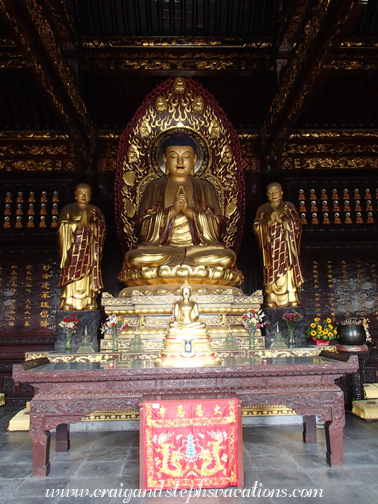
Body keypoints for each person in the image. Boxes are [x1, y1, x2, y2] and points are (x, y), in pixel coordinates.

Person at [119, 132, 237, 282]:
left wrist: (189, 212)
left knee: (227, 258)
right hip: (163, 251)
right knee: (133, 258)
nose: (180, 161)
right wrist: (172, 211)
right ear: (164, 159)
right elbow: (142, 228)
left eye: (186, 156)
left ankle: (173, 270)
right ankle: (190, 270)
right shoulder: (153, 187)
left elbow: (217, 227)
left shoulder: (205, 187)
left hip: (197, 251)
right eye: (174, 156)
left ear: (194, 159)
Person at [254, 182, 304, 308]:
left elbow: (297, 224)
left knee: (288, 272)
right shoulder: (262, 209)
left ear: (281, 193)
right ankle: (271, 299)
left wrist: (281, 221)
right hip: (270, 250)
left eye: (276, 192)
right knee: (271, 273)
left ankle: (292, 298)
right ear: (267, 194)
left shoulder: (289, 207)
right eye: (270, 192)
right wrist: (270, 222)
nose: (273, 194)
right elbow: (256, 227)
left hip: (286, 248)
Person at [58, 183, 106, 310]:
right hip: (73, 250)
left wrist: (90, 226)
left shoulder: (95, 211)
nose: (84, 196)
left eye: (87, 194)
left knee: (88, 274)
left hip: (89, 250)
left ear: (91, 196)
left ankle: (89, 300)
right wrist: (77, 225)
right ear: (75, 194)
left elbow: (102, 228)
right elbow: (62, 227)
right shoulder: (67, 210)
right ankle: (69, 300)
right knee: (71, 274)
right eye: (81, 193)